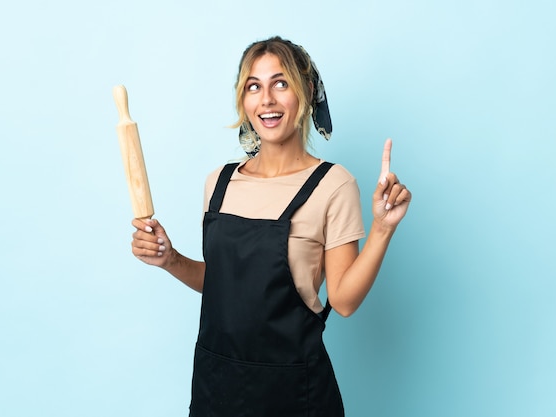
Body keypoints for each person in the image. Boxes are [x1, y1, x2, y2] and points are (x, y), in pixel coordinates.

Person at [130, 36, 411, 417]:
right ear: (243, 101)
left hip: (295, 395)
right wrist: (170, 259)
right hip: (217, 389)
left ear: (306, 91)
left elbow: (343, 301)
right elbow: (223, 283)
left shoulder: (333, 184)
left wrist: (382, 228)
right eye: (253, 86)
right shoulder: (219, 183)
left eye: (281, 83)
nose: (267, 100)